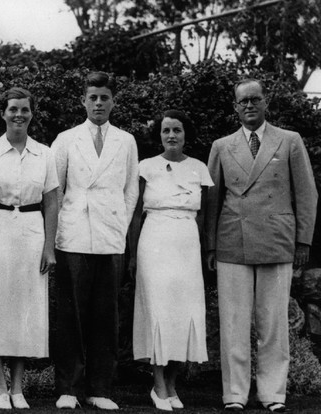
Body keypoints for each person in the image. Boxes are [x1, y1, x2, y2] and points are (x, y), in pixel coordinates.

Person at [206, 79, 318, 413]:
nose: (250, 106)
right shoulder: (221, 146)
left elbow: (307, 193)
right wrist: (211, 246)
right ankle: (235, 394)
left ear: (266, 103)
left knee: (273, 324)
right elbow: (212, 200)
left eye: (255, 100)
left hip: (276, 241)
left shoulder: (289, 141)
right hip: (232, 242)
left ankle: (272, 394)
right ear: (235, 108)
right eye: (243, 102)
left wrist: (303, 240)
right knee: (234, 323)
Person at [51, 71, 139, 410]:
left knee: (105, 314)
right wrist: (58, 232)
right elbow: (56, 190)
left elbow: (131, 191)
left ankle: (100, 388)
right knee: (70, 315)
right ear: (83, 101)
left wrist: (120, 226)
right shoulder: (66, 139)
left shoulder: (126, 140)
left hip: (110, 235)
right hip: (73, 234)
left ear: (113, 101)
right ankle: (69, 389)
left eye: (104, 97)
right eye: (93, 98)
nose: (99, 103)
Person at [0, 86, 59, 410]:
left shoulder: (45, 154)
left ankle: (18, 387)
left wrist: (49, 247)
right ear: (2, 113)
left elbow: (51, 201)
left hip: (31, 231)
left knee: (25, 309)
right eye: (13, 109)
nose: (18, 115)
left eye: (24, 109)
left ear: (32, 113)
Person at [129, 110, 211, 411]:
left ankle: (172, 383)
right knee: (159, 313)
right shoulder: (146, 166)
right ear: (159, 135)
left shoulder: (199, 168)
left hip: (187, 244)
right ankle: (159, 385)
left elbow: (203, 216)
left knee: (184, 314)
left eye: (177, 129)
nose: (172, 135)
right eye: (166, 130)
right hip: (154, 242)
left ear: (185, 134)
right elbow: (136, 213)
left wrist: (202, 252)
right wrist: (133, 253)